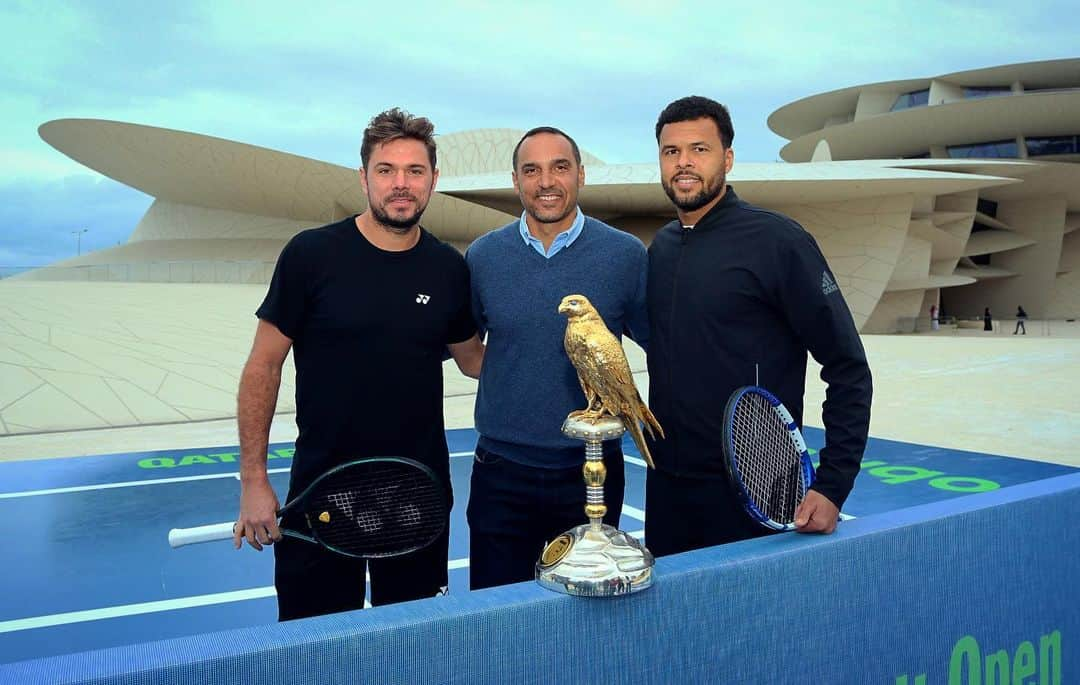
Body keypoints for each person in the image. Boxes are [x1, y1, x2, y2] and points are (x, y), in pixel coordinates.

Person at [233, 108, 484, 621]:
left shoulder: (448, 268)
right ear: (363, 176)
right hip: (320, 492)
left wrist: (556, 338)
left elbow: (474, 361)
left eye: (415, 171)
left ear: (433, 180)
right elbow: (263, 368)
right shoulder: (311, 255)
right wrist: (254, 480)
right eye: (386, 170)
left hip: (417, 495)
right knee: (316, 652)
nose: (401, 184)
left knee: (413, 649)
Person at [644, 96, 873, 556]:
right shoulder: (662, 248)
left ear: (727, 158)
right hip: (667, 493)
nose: (684, 163)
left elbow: (848, 367)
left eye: (699, 149)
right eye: (672, 152)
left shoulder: (779, 242)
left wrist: (832, 485)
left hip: (757, 490)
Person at [465, 126, 649, 589]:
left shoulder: (625, 255)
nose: (546, 181)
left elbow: (663, 346)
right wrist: (519, 375)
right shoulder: (484, 256)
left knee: (584, 620)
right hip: (501, 473)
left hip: (591, 467)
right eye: (532, 170)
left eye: (559, 167)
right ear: (516, 181)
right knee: (497, 613)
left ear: (581, 175)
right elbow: (468, 352)